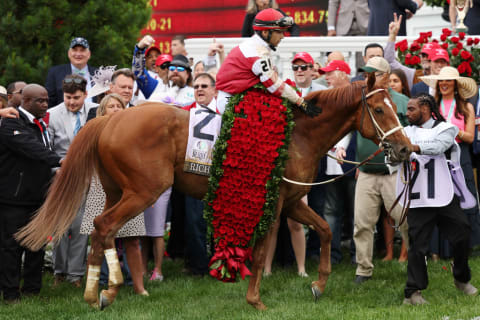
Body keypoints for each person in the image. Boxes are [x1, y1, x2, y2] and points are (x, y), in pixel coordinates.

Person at [337, 57, 410, 283]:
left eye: (375, 74)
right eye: (367, 74)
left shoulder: (402, 101)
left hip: (394, 171)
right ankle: (363, 270)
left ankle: (417, 263)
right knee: (362, 223)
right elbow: (350, 128)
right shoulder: (362, 100)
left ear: (386, 76)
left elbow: (409, 132)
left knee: (406, 220)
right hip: (366, 172)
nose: (369, 78)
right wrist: (341, 146)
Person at [401, 93, 477, 305]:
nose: (407, 113)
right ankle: (412, 292)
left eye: (411, 109)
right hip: (419, 197)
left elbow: (437, 148)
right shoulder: (405, 131)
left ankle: (461, 278)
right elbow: (394, 158)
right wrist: (393, 153)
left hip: (444, 194)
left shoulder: (446, 128)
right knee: (418, 245)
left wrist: (412, 147)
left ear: (425, 108)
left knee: (462, 233)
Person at [80, 93, 148, 295]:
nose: (116, 108)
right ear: (102, 110)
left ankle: (139, 286)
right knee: (99, 237)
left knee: (132, 240)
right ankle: (95, 283)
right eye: (111, 106)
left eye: (120, 105)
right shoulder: (94, 130)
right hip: (100, 188)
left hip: (132, 190)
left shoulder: (134, 133)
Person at [0, 84, 62, 303]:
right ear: (25, 101)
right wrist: (59, 160)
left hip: (39, 195)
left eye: (46, 100)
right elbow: (30, 147)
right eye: (40, 101)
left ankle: (33, 289)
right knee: (11, 247)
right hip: (14, 197)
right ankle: (10, 293)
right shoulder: (11, 122)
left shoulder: (40, 124)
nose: (45, 105)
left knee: (37, 244)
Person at [216, 8, 319, 116]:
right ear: (265, 32)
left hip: (236, 96)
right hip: (228, 100)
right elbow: (275, 86)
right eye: (279, 32)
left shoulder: (258, 46)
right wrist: (300, 101)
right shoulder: (257, 54)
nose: (282, 36)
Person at [421, 66, 480, 252]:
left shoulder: (466, 106)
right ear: (438, 84)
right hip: (438, 156)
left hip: (460, 155)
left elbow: (470, 137)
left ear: (455, 84)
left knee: (464, 197)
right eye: (442, 81)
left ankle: (465, 246)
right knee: (440, 200)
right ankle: (438, 249)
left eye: (449, 80)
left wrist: (453, 130)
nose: (444, 83)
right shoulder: (431, 107)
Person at [48, 74, 97, 287]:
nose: (72, 102)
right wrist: (55, 169)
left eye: (76, 98)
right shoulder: (52, 114)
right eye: (68, 97)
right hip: (60, 176)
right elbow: (46, 148)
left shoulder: (95, 111)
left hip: (87, 176)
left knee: (80, 226)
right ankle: (59, 270)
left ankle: (75, 275)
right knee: (60, 226)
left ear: (85, 95)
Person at [45, 37, 97, 108]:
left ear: (89, 54)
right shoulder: (55, 73)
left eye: (82, 50)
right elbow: (49, 101)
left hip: (95, 117)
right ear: (69, 53)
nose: (78, 54)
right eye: (75, 50)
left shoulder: (98, 73)